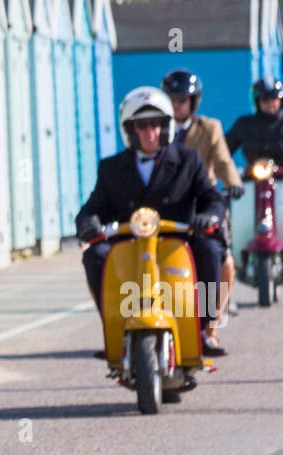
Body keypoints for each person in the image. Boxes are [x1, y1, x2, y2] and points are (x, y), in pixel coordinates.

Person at [77, 86, 226, 372]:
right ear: (129, 130)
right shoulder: (110, 168)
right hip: (130, 246)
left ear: (166, 127)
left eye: (156, 125)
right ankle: (114, 328)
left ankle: (203, 329)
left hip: (178, 242)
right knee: (94, 255)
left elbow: (211, 197)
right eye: (141, 126)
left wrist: (208, 216)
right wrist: (88, 223)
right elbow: (91, 208)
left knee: (210, 249)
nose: (150, 132)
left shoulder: (188, 160)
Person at [163, 69, 243, 354]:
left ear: (193, 102)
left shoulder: (209, 128)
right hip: (167, 209)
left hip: (204, 206)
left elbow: (222, 160)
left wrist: (232, 184)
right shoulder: (155, 128)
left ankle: (210, 329)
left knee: (224, 262)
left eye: (182, 100)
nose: (176, 106)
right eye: (172, 99)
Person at [224, 77, 283, 225]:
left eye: (274, 99)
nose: (270, 104)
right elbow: (223, 152)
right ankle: (232, 233)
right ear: (257, 102)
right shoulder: (244, 124)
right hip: (252, 181)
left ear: (281, 100)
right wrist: (231, 174)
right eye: (265, 100)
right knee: (229, 196)